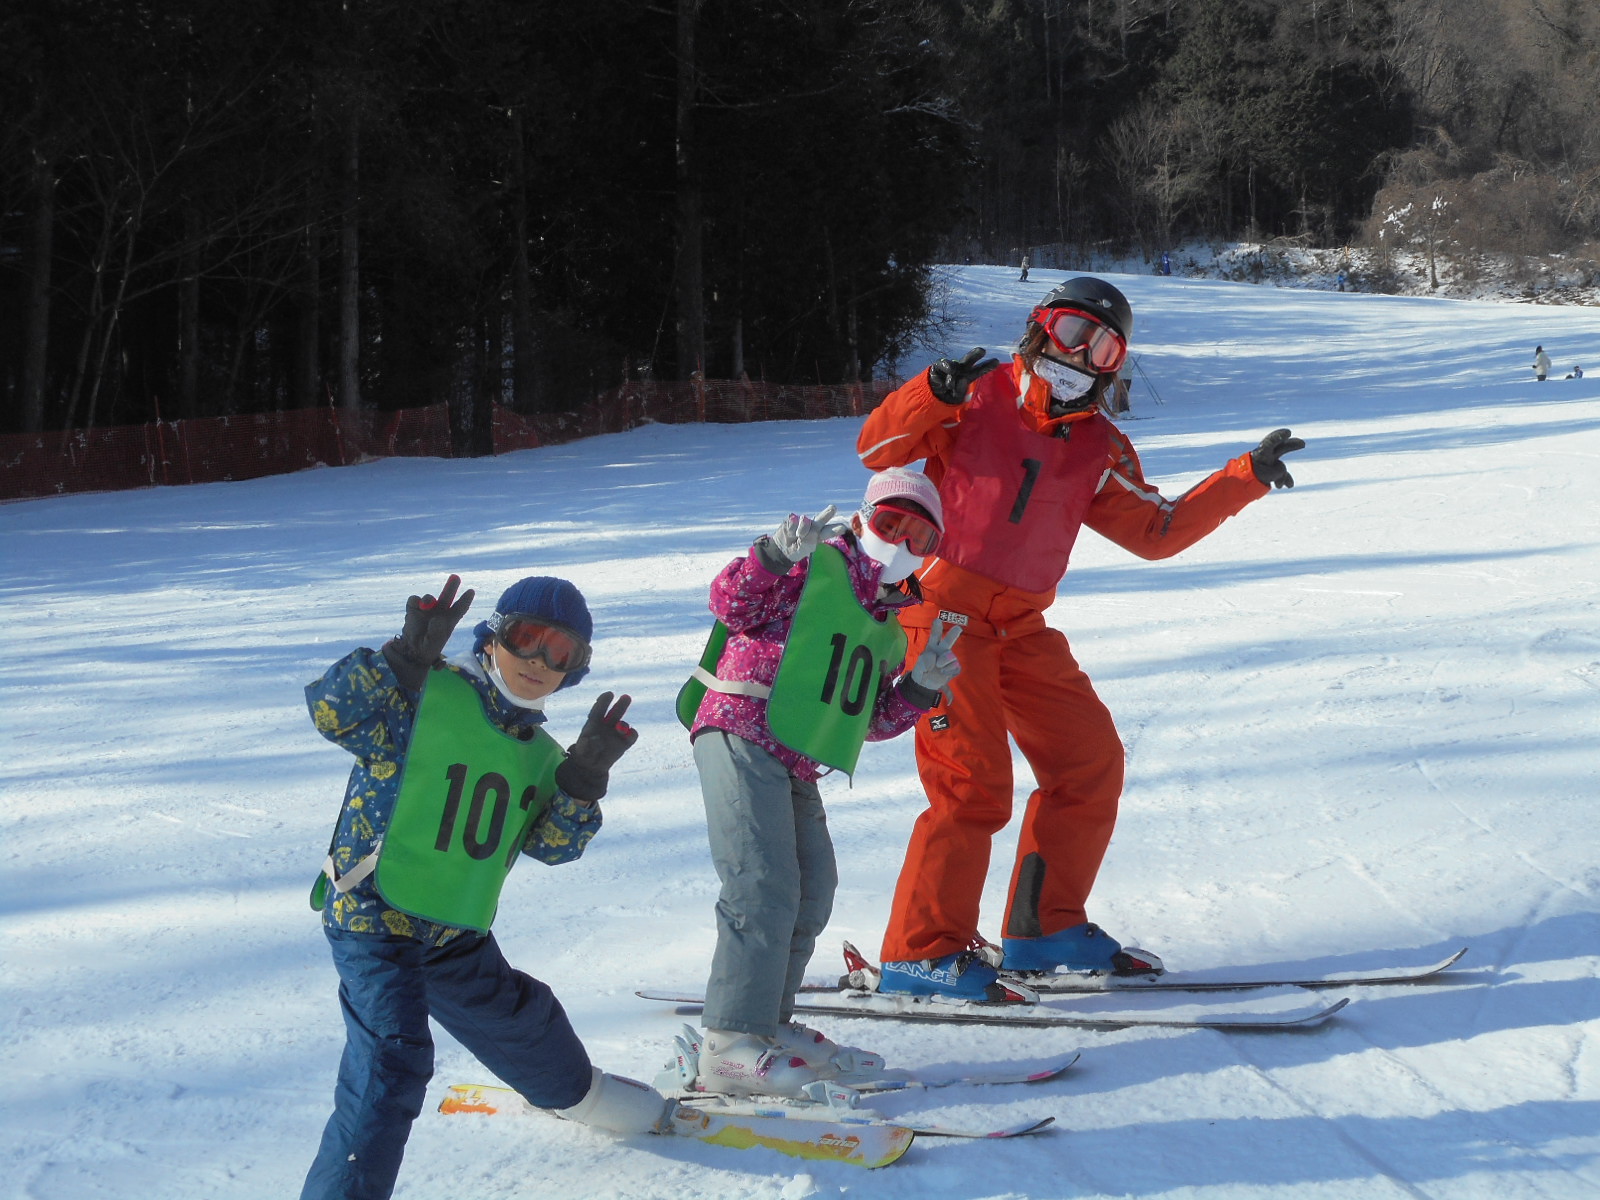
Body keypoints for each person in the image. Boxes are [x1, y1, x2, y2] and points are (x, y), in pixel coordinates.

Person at [856, 276, 1306, 999]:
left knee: (1088, 761)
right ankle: (922, 951)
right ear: (1039, 327)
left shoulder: (1096, 443)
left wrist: (1243, 478)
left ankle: (1043, 927)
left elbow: (1155, 530)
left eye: (1103, 346)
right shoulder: (973, 399)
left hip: (1022, 625)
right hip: (941, 617)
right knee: (972, 784)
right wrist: (932, 392)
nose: (1082, 354)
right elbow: (878, 448)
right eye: (1072, 331)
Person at [301, 574, 661, 1200]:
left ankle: (580, 1096)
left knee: (524, 1019)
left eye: (561, 652)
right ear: (492, 637)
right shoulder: (421, 697)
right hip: (373, 914)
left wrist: (580, 780)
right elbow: (333, 713)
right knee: (393, 1058)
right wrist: (401, 659)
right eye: (527, 639)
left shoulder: (540, 753)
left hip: (454, 928)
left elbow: (554, 847)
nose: (538, 662)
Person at [682, 468, 962, 1095]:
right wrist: (773, 557)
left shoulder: (886, 624)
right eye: (891, 525)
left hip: (796, 756)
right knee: (761, 882)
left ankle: (766, 1026)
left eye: (920, 539)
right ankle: (729, 1040)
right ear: (864, 518)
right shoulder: (815, 567)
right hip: (740, 725)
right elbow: (733, 605)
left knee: (812, 889)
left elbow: (861, 719)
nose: (901, 546)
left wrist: (920, 686)